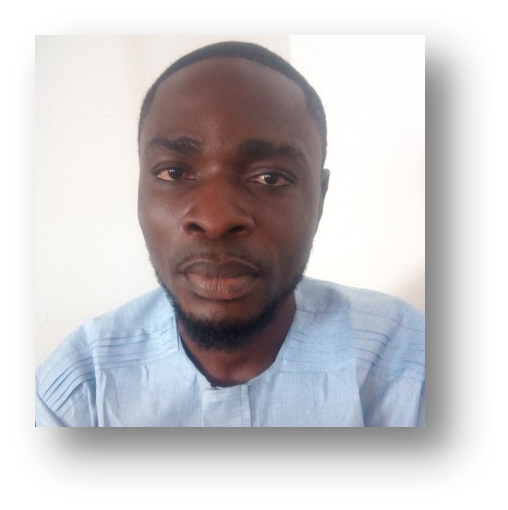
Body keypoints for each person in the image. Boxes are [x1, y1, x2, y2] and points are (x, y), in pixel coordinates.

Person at [35, 41, 425, 427]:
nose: (215, 219)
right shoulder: (80, 389)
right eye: (174, 172)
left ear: (319, 199)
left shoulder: (406, 364)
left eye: (270, 177)